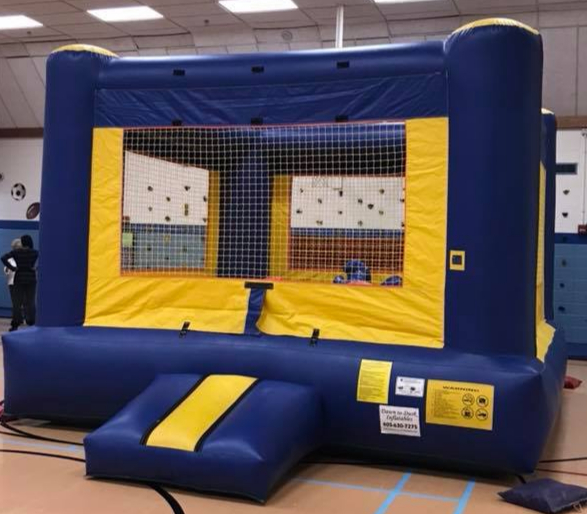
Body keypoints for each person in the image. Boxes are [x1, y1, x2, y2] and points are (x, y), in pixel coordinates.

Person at [1, 234, 38, 331]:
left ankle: (15, 324)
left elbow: (3, 258)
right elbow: (45, 259)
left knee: (17, 303)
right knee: (30, 302)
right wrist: (36, 268)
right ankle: (32, 322)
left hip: (18, 278)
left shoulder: (16, 252)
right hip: (31, 279)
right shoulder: (34, 252)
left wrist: (13, 268)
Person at [3, 238, 22, 330]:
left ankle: (18, 319)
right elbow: (6, 270)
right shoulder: (10, 258)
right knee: (16, 303)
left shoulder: (20, 257)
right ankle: (17, 319)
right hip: (13, 282)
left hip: (20, 281)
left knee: (19, 302)